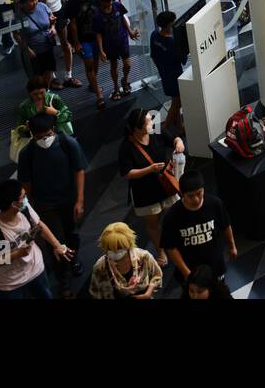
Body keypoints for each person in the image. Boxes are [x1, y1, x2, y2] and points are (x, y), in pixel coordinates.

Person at [17, 113, 87, 298]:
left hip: (68, 201)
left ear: (54, 130)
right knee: (56, 243)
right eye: (38, 137)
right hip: (45, 206)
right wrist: (32, 209)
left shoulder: (67, 143)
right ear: (32, 135)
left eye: (47, 135)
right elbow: (26, 183)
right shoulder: (27, 154)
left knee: (72, 235)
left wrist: (79, 200)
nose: (43, 140)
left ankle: (73, 260)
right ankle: (63, 279)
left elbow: (79, 170)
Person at [0, 179, 72, 299]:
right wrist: (17, 254)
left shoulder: (24, 209)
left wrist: (57, 245)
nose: (26, 199)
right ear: (14, 204)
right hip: (11, 283)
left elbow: (39, 226)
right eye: (23, 197)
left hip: (36, 270)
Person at [118, 107, 185, 266]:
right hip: (145, 191)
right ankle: (161, 252)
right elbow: (126, 173)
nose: (152, 123)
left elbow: (174, 139)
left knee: (173, 217)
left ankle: (176, 245)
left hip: (166, 184)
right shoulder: (126, 147)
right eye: (148, 122)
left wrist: (179, 142)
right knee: (153, 223)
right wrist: (149, 170)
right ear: (137, 128)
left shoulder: (156, 131)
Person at [160, 170, 236, 293]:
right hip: (190, 269)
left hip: (215, 265)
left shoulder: (215, 204)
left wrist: (232, 246)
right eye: (190, 196)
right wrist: (187, 273)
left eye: (199, 193)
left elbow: (226, 225)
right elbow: (171, 247)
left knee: (218, 292)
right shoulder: (172, 216)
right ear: (182, 194)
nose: (196, 199)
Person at [61, 0, 105, 107]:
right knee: (89, 65)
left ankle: (93, 84)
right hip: (84, 39)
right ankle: (98, 95)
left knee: (96, 63)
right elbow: (73, 24)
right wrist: (76, 43)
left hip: (96, 37)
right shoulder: (72, 2)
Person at [88, 222, 163, 299]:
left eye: (119, 248)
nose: (115, 251)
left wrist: (148, 293)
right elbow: (96, 291)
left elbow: (157, 275)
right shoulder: (101, 266)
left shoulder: (143, 257)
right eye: (110, 248)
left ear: (127, 244)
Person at [94, 0, 137, 100]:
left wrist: (130, 31)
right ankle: (116, 87)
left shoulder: (117, 6)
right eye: (107, 1)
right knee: (114, 66)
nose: (110, 3)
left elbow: (123, 18)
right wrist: (101, 50)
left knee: (127, 65)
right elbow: (98, 33)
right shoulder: (97, 15)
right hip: (109, 43)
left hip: (122, 40)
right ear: (101, 2)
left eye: (110, 1)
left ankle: (125, 80)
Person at [150, 10, 186, 134]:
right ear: (168, 25)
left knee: (174, 100)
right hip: (175, 75)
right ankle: (164, 128)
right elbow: (183, 60)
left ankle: (179, 127)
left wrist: (161, 69)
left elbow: (153, 55)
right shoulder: (173, 42)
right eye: (173, 23)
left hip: (164, 74)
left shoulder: (154, 35)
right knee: (177, 103)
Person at [14, 0, 58, 84]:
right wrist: (27, 49)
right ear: (23, 3)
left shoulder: (42, 6)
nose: (35, 2)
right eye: (31, 1)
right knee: (37, 75)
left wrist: (53, 27)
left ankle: (46, 89)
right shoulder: (18, 16)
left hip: (47, 46)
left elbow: (52, 20)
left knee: (49, 69)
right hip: (33, 51)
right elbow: (16, 35)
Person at [15, 74, 75, 140]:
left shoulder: (54, 99)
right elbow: (19, 128)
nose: (39, 96)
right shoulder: (24, 107)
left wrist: (56, 113)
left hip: (59, 136)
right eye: (35, 94)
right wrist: (25, 129)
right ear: (29, 93)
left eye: (42, 93)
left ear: (46, 89)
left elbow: (69, 116)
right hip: (38, 139)